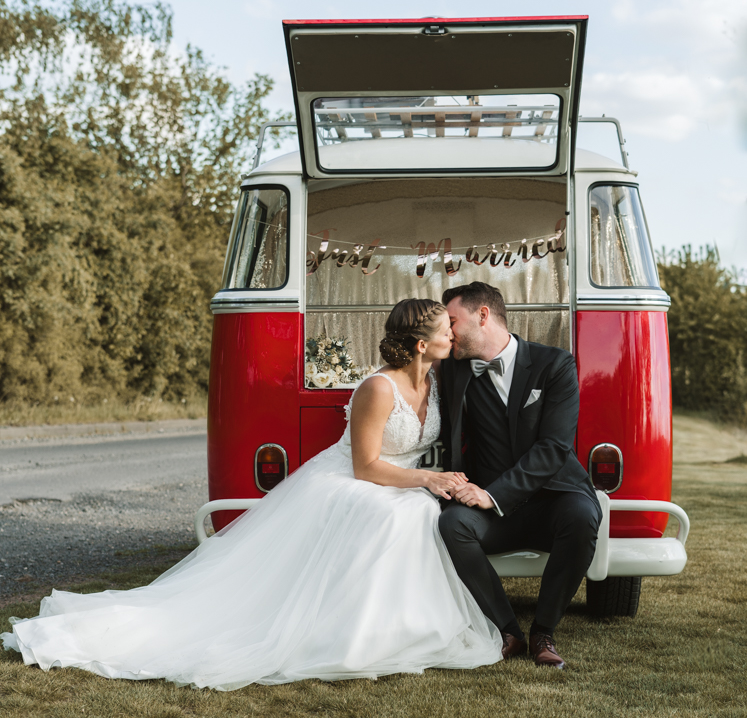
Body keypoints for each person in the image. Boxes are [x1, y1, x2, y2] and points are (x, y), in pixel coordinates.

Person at [2, 300, 503, 690]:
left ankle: (402, 627)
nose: (452, 334)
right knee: (404, 512)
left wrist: (442, 479)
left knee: (416, 511)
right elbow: (366, 465)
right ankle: (352, 635)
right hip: (351, 480)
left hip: (398, 481)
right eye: (444, 330)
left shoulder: (438, 381)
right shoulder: (377, 389)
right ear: (419, 344)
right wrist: (429, 480)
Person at [438, 281, 602, 670]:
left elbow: (555, 447)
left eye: (452, 322)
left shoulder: (555, 364)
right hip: (493, 512)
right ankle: (507, 631)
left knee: (582, 516)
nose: (447, 333)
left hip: (554, 499)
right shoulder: (451, 370)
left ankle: (543, 631)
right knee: (453, 524)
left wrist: (492, 495)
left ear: (483, 316)